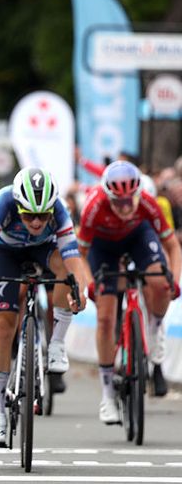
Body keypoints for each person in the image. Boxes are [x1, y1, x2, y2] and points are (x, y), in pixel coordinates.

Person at [0, 167, 89, 447]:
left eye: (42, 215)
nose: (36, 221)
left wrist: (79, 291)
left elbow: (74, 260)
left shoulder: (59, 210)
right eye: (29, 214)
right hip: (4, 253)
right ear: (18, 205)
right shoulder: (2, 204)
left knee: (63, 267)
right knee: (3, 325)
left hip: (44, 251)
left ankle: (56, 344)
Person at [79, 161, 181, 417]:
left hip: (137, 238)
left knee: (159, 281)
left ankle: (155, 328)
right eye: (118, 202)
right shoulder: (93, 207)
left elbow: (173, 247)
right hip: (103, 248)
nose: (125, 208)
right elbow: (79, 254)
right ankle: (107, 396)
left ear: (138, 195)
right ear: (108, 196)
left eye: (129, 202)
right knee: (104, 317)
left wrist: (174, 282)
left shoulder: (147, 202)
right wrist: (90, 283)